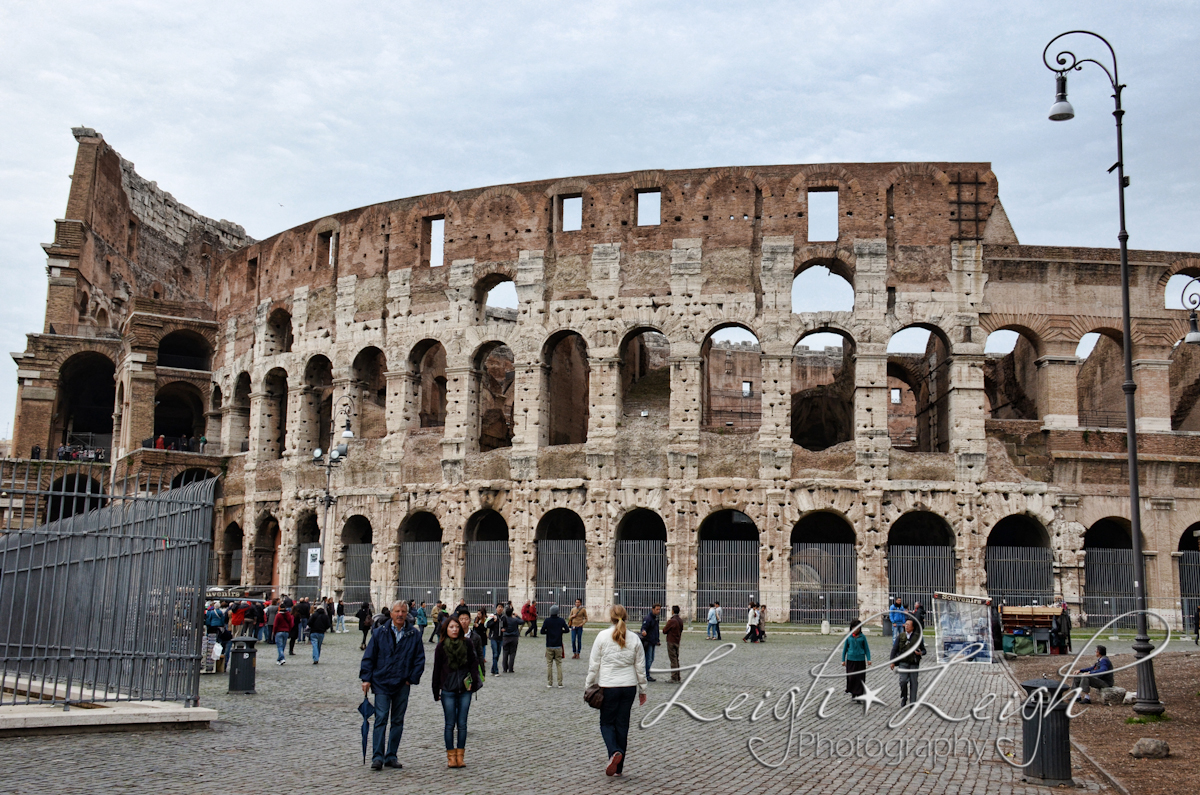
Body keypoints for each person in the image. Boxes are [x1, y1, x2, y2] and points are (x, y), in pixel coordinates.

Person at [360, 601, 425, 771]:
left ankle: (391, 755)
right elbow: (369, 656)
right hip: (382, 681)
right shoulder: (379, 632)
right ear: (391, 613)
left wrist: (411, 678)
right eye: (397, 611)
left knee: (397, 720)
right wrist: (366, 678)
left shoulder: (414, 634)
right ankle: (377, 757)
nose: (400, 614)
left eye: (403, 611)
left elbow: (419, 659)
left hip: (402, 682)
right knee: (380, 718)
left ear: (407, 613)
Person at [586, 605, 648, 777]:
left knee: (606, 723)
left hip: (609, 686)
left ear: (610, 617)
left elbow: (594, 665)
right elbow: (640, 667)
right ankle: (618, 768)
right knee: (622, 726)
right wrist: (643, 689)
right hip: (628, 687)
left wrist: (589, 685)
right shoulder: (634, 638)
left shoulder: (602, 636)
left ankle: (614, 752)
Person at [432, 611, 482, 768]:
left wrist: (473, 682)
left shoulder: (467, 644)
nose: (454, 629)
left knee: (462, 723)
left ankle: (460, 756)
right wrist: (435, 691)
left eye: (456, 627)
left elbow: (474, 664)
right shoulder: (441, 647)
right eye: (451, 627)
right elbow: (437, 669)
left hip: (464, 689)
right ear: (446, 629)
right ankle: (450, 757)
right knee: (449, 724)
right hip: (447, 689)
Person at [889, 617, 926, 707]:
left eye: (908, 625)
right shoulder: (901, 636)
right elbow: (894, 649)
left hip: (914, 663)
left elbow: (924, 650)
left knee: (914, 682)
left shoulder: (918, 637)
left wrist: (920, 652)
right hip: (903, 663)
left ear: (913, 627)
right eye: (905, 624)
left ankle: (912, 702)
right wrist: (892, 661)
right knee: (903, 681)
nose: (906, 626)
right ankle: (904, 697)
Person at [842, 620, 872, 698]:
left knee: (860, 678)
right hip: (850, 660)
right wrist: (843, 660)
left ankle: (859, 694)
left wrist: (869, 659)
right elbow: (845, 649)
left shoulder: (863, 637)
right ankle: (852, 692)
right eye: (854, 627)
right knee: (851, 677)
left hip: (860, 660)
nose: (856, 629)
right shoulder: (848, 637)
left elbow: (866, 649)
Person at [541, 604, 569, 688]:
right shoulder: (561, 620)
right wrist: (560, 632)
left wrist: (548, 632)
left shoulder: (547, 620)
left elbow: (542, 631)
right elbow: (567, 630)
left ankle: (550, 682)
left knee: (549, 664)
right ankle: (560, 683)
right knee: (559, 664)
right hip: (558, 645)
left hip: (549, 645)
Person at [639, 604, 661, 682]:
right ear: (653, 609)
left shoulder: (656, 618)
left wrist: (657, 640)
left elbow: (656, 630)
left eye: (659, 609)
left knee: (651, 659)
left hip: (653, 641)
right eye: (657, 609)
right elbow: (643, 628)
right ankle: (646, 675)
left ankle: (646, 673)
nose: (658, 611)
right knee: (648, 659)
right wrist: (643, 631)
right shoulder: (648, 618)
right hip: (648, 641)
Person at [663, 605, 684, 682]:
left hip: (671, 641)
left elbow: (664, 630)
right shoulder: (680, 620)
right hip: (677, 641)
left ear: (672, 611)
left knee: (673, 660)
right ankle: (678, 676)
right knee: (676, 659)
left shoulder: (672, 621)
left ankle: (674, 677)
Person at [500, 605, 523, 673]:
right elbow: (522, 621)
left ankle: (504, 668)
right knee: (512, 653)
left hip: (506, 637)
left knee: (505, 653)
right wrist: (517, 616)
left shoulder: (504, 620)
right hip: (514, 637)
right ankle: (510, 668)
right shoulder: (515, 620)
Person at [485, 604, 505, 676]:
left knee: (498, 654)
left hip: (500, 638)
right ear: (496, 608)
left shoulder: (503, 617)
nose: (500, 609)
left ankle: (493, 670)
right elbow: (487, 625)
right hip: (493, 638)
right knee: (495, 653)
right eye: (499, 607)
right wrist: (494, 621)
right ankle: (496, 671)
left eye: (501, 607)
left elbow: (506, 625)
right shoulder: (492, 617)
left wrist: (504, 629)